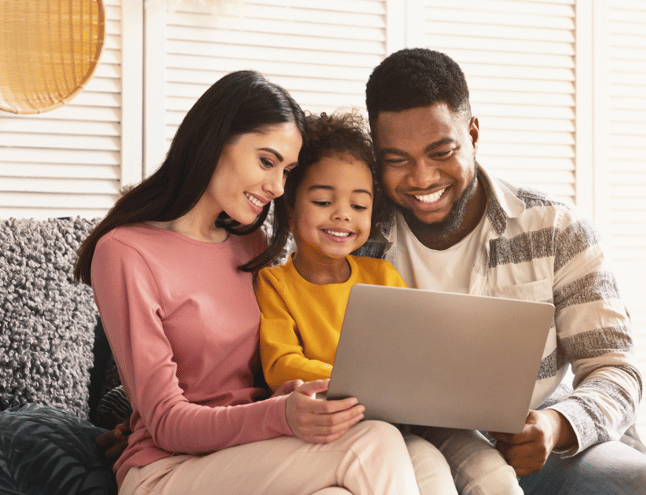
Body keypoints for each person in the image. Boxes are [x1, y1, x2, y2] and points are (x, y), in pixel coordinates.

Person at [358, 47, 646, 495]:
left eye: (441, 151)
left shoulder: (555, 229)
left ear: (473, 134)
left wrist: (555, 425)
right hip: (405, 448)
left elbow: (615, 368)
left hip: (534, 441)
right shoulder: (352, 236)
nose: (422, 178)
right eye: (397, 159)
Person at [74, 70, 421, 495]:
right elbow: (165, 421)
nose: (277, 187)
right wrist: (280, 416)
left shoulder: (248, 243)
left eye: (287, 171)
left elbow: (253, 377)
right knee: (375, 444)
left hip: (249, 453)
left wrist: (306, 397)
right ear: (214, 142)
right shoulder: (125, 252)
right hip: (167, 470)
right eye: (266, 161)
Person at [255, 110, 521, 495]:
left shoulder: (381, 276)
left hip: (415, 416)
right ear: (291, 211)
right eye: (323, 201)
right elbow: (280, 365)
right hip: (355, 427)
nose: (343, 214)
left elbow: (420, 349)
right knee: (430, 476)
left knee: (494, 476)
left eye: (359, 206)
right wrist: (360, 381)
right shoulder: (275, 283)